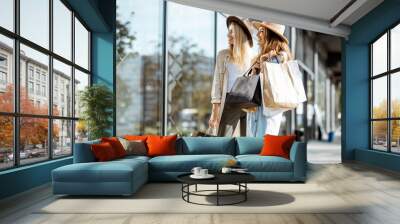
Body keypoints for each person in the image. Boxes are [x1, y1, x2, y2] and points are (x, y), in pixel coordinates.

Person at [208, 16, 253, 136]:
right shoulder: (223, 55)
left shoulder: (253, 58)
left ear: (240, 33)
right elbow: (217, 84)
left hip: (248, 105)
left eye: (231, 31)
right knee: (223, 139)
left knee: (245, 141)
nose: (228, 35)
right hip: (230, 102)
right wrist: (215, 111)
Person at [246, 21, 292, 137]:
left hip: (268, 113)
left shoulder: (281, 58)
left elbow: (273, 85)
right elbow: (254, 86)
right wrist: (255, 70)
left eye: (261, 31)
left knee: (264, 148)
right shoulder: (260, 57)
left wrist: (264, 63)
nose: (258, 35)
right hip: (255, 112)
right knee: (253, 148)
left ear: (270, 34)